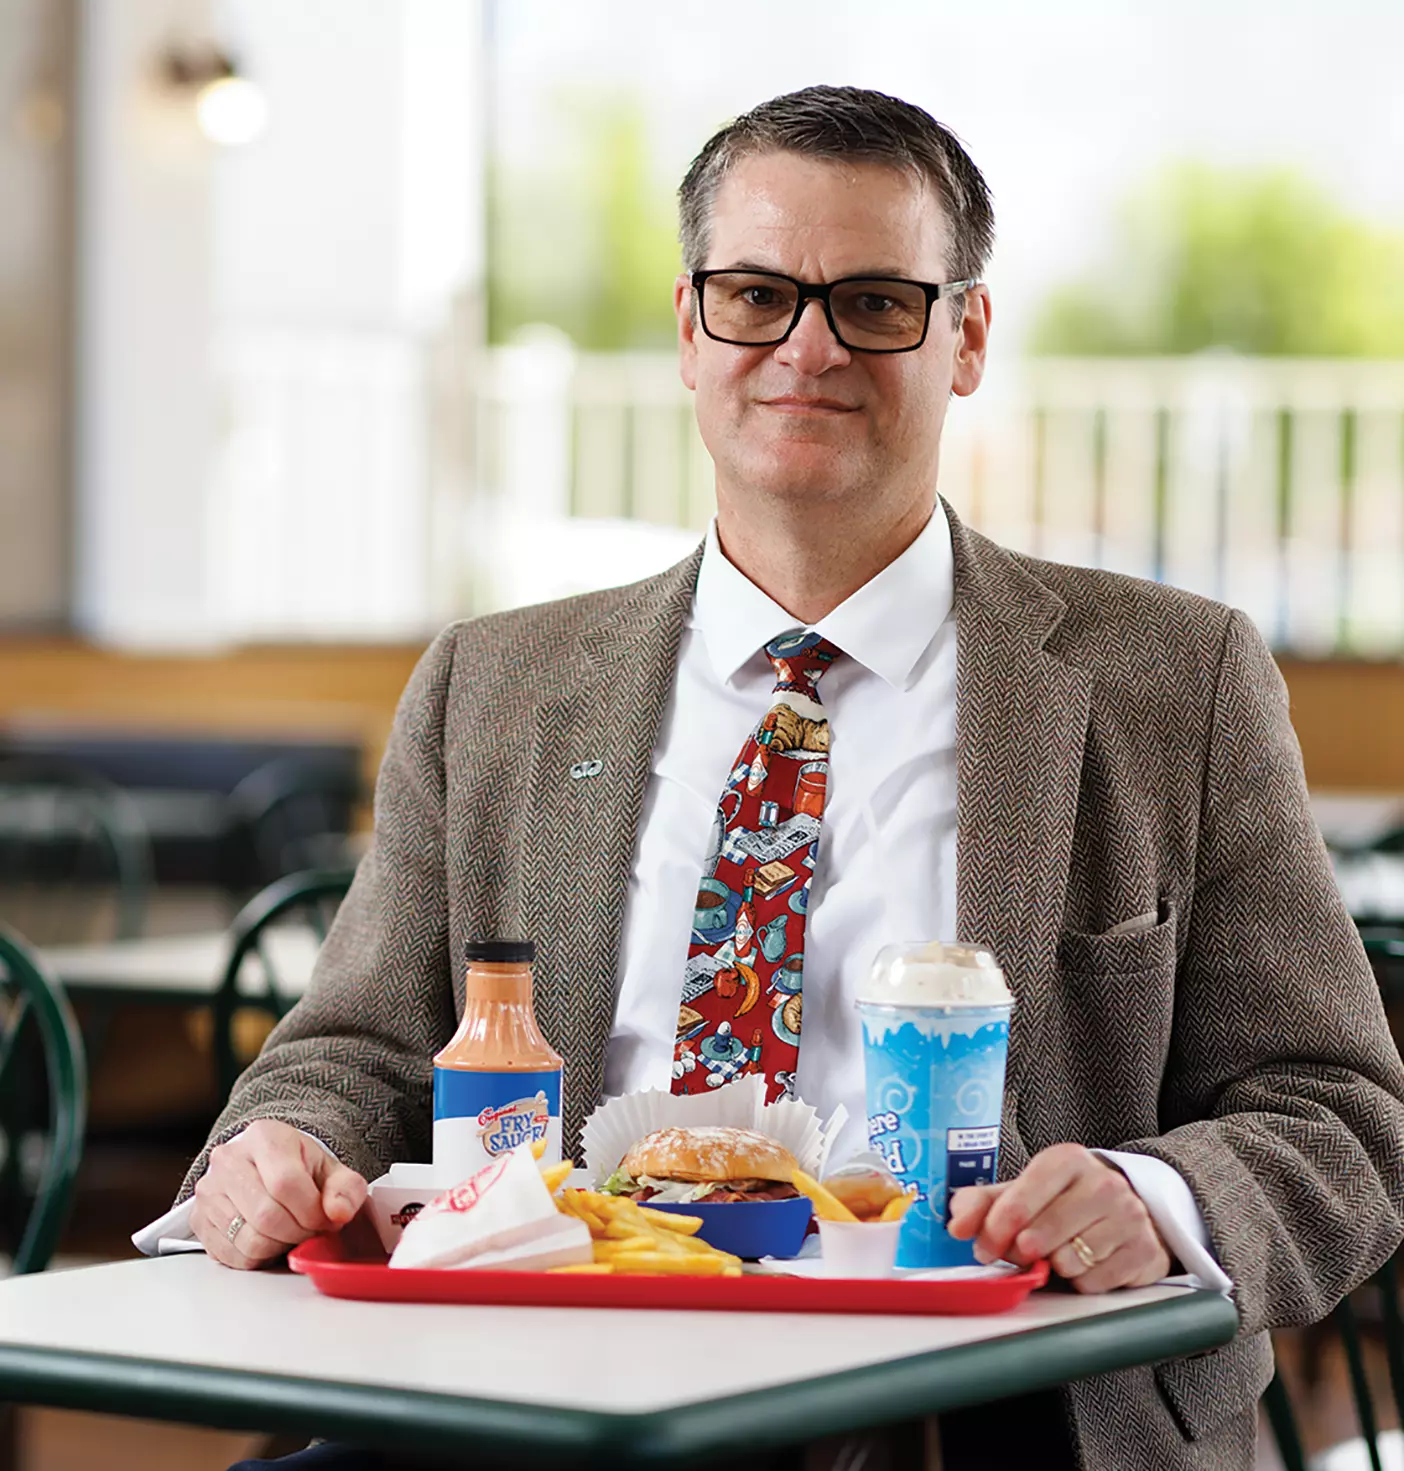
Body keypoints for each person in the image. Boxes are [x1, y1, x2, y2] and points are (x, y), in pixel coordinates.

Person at [138, 87, 1404, 1470]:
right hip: (541, 1384)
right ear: (690, 328)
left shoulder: (1176, 682)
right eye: (756, 294)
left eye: (873, 301)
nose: (807, 347)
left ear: (967, 336)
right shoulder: (492, 685)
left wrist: (1152, 1193)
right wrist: (274, 1147)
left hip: (985, 1410)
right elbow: (358, 1051)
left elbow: (1343, 1117)